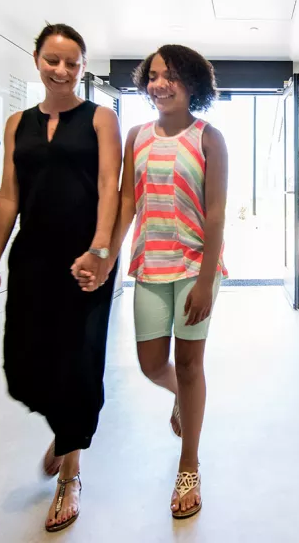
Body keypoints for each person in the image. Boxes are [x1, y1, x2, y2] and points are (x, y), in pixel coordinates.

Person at [74, 44, 228, 519]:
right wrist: (105, 255)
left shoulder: (209, 137)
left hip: (195, 266)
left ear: (193, 85)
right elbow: (125, 204)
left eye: (173, 76)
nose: (160, 84)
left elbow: (217, 214)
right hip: (150, 264)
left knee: (188, 363)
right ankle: (185, 400)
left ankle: (189, 464)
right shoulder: (137, 135)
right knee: (149, 363)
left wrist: (205, 281)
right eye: (154, 75)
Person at [0, 23, 122, 532]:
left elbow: (111, 186)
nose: (61, 70)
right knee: (25, 364)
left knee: (79, 360)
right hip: (33, 257)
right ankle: (65, 427)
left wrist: (101, 250)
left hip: (86, 260)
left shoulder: (102, 118)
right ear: (37, 60)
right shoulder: (18, 123)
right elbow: (9, 196)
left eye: (72, 63)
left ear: (83, 68)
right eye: (52, 60)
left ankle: (71, 469)